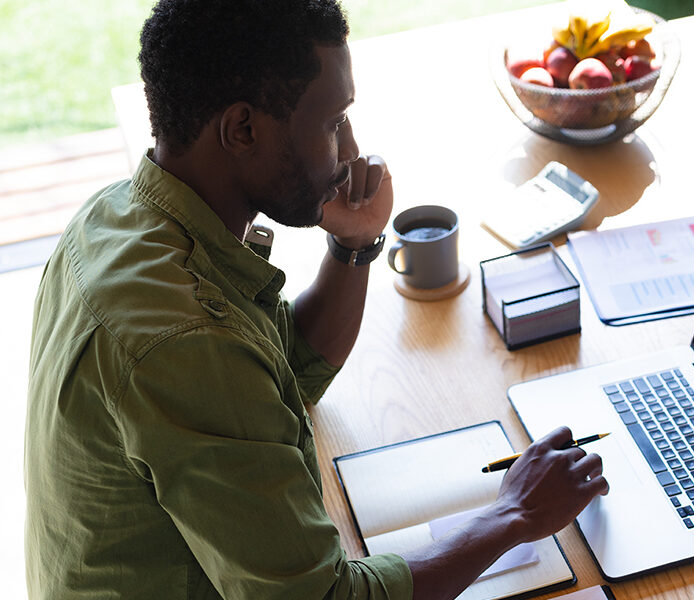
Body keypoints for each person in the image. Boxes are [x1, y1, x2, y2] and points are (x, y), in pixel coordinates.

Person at [23, 0, 608, 598]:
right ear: (243, 129)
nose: (350, 149)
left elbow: (288, 374)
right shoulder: (186, 339)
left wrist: (354, 245)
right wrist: (513, 517)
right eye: (333, 123)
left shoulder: (121, 215)